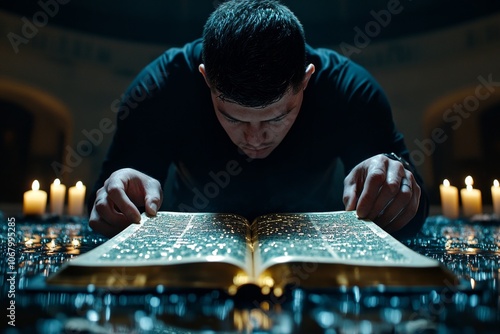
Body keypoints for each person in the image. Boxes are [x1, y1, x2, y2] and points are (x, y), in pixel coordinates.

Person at [88, 0, 427, 239]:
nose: (254, 139)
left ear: (307, 80)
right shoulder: (158, 88)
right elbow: (102, 212)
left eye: (277, 117)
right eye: (233, 118)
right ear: (206, 79)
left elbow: (414, 214)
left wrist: (398, 184)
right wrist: (115, 196)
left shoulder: (351, 90)